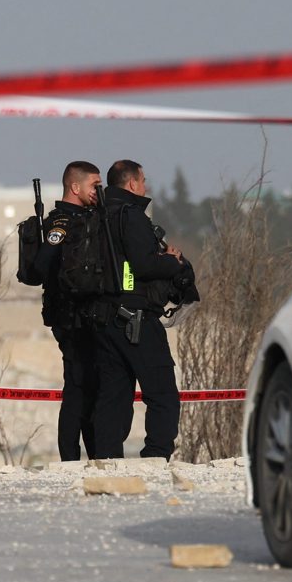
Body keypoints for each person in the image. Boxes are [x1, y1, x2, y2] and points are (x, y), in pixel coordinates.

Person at [86, 159, 185, 460]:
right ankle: (156, 456)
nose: (145, 186)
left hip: (104, 320)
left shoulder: (97, 216)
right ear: (132, 183)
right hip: (136, 320)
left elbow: (124, 268)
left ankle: (106, 459)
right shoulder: (131, 216)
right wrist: (171, 262)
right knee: (162, 392)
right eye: (143, 180)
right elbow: (141, 266)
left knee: (113, 396)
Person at [33, 161, 101, 461]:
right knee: (76, 386)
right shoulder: (61, 223)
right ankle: (71, 458)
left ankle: (96, 454)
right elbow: (41, 265)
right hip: (70, 318)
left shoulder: (88, 220)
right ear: (75, 187)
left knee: (90, 386)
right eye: (94, 185)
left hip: (87, 316)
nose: (98, 191)